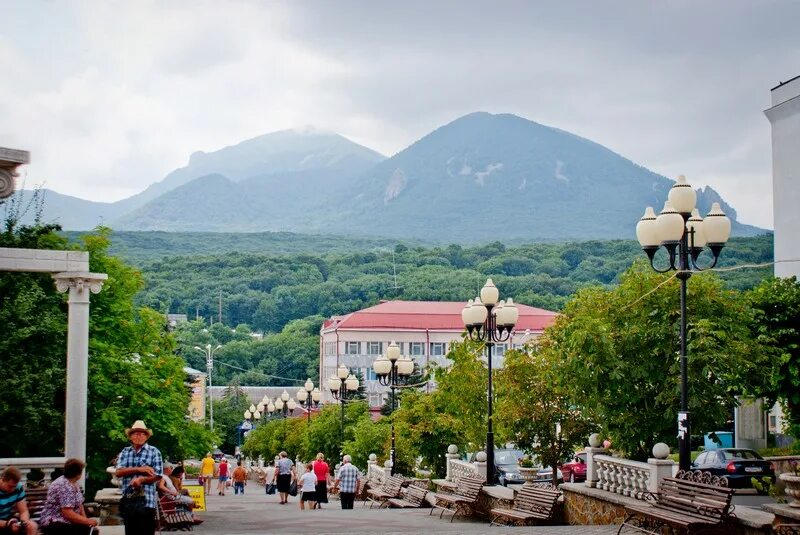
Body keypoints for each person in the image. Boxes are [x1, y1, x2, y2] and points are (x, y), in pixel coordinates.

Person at [114, 420, 163, 535]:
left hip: (147, 501)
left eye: (142, 433)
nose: (139, 436)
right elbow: (118, 472)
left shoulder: (154, 451)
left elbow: (158, 475)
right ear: (130, 436)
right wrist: (139, 469)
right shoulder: (125, 451)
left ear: (146, 437)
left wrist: (141, 480)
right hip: (129, 500)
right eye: (135, 433)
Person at [39, 458, 98, 535]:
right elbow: (67, 513)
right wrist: (87, 521)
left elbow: (80, 505)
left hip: (67, 521)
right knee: (82, 530)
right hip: (54, 521)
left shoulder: (74, 484)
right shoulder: (64, 486)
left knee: (89, 529)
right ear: (78, 474)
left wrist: (85, 521)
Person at [0, 466, 37, 535]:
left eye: (15, 486)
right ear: (2, 479)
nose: (13, 489)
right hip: (4, 522)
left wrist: (24, 522)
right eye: (10, 486)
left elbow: (23, 511)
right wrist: (8, 523)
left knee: (32, 526)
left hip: (8, 519)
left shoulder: (18, 487)